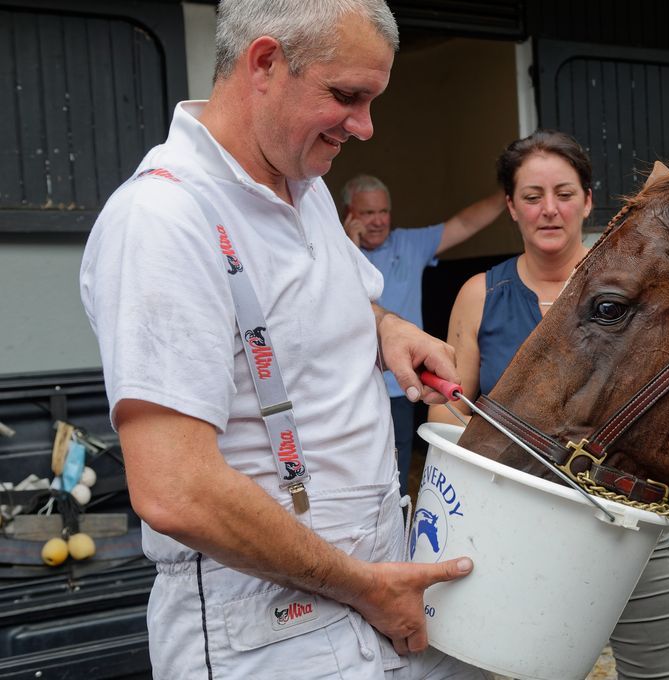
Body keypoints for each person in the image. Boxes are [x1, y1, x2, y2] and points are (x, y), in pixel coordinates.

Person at [78, 1, 490, 677]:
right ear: (265, 62)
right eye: (347, 96)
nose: (365, 127)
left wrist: (388, 330)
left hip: (373, 585)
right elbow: (177, 490)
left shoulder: (308, 183)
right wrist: (363, 586)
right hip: (271, 627)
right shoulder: (162, 219)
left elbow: (328, 308)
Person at [429, 130, 669, 680]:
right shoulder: (480, 294)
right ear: (512, 207)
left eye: (565, 193)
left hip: (622, 517)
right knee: (519, 666)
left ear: (588, 201)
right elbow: (450, 407)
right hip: (516, 523)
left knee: (651, 674)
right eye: (533, 195)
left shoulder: (635, 290)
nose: (550, 210)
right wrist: (449, 418)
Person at [341, 175, 505, 491]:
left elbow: (465, 224)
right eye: (367, 213)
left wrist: (509, 191)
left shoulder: (409, 244)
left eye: (383, 212)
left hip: (402, 386)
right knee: (355, 472)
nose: (377, 221)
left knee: (399, 472)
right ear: (348, 213)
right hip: (352, 384)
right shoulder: (332, 245)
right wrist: (348, 246)